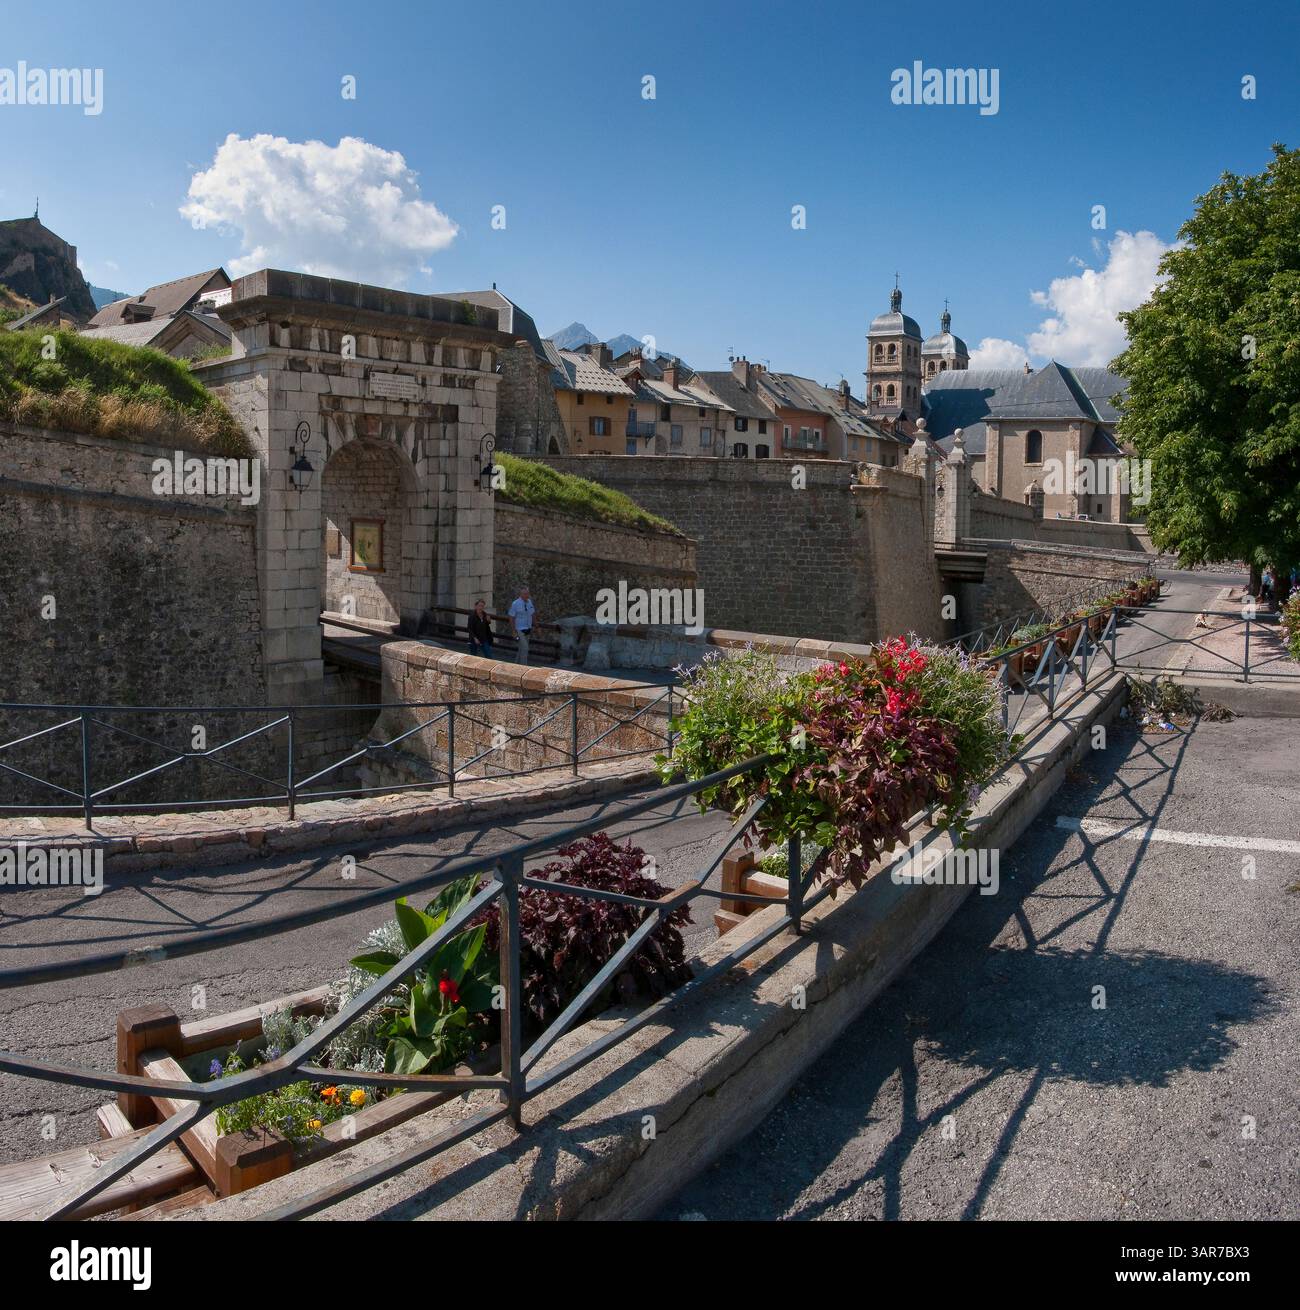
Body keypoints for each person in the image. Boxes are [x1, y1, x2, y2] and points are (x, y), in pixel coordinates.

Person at [508, 585, 535, 664]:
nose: (527, 595)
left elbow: (533, 613)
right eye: (525, 594)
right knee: (525, 648)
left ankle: (516, 664)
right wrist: (513, 631)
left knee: (521, 648)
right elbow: (511, 617)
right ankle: (524, 667)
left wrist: (536, 626)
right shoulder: (515, 603)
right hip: (519, 629)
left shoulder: (529, 602)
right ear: (521, 594)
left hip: (528, 628)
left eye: (527, 593)